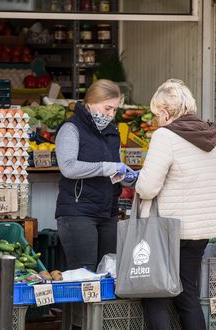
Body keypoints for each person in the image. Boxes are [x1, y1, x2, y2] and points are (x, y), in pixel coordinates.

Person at [135, 79, 216, 330]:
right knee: (188, 295)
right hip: (200, 230)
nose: (156, 120)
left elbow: (147, 187)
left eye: (157, 114)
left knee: (155, 296)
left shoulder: (165, 136)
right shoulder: (213, 135)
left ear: (166, 112)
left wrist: (136, 183)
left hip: (168, 229)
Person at [55, 79, 136, 272]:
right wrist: (107, 167)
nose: (110, 114)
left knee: (109, 271)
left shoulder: (112, 132)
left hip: (108, 212)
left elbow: (112, 171)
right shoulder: (70, 129)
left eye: (115, 110)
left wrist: (128, 178)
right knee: (84, 275)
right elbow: (68, 167)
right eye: (107, 108)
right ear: (90, 102)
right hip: (78, 213)